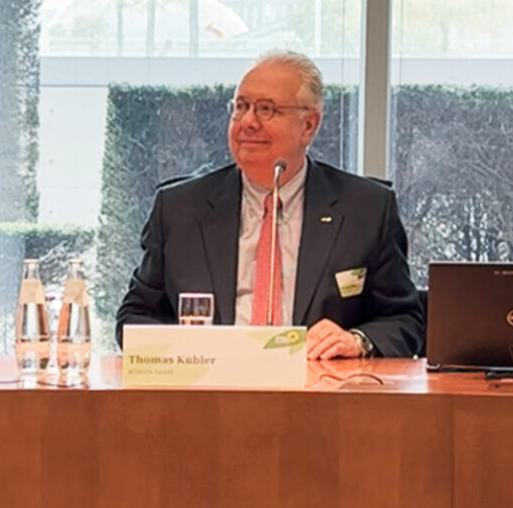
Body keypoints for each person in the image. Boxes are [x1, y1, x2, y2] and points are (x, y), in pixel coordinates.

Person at [116, 50, 423, 358]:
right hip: (209, 391)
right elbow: (135, 317)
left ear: (308, 125)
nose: (248, 122)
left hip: (320, 391)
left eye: (266, 110)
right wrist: (187, 354)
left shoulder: (366, 209)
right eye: (240, 107)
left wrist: (356, 340)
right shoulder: (179, 208)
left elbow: (405, 319)